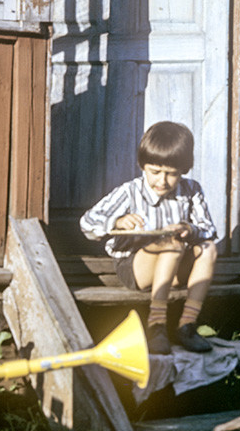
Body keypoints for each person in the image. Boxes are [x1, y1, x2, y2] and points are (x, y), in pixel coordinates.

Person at [80, 121, 218, 355]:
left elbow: (209, 229)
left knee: (208, 248)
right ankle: (156, 325)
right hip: (136, 269)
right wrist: (117, 222)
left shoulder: (191, 190)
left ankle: (187, 325)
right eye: (155, 172)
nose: (162, 181)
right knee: (171, 244)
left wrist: (190, 228)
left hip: (175, 270)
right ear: (142, 165)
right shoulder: (130, 191)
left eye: (171, 174)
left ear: (183, 170)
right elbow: (87, 222)